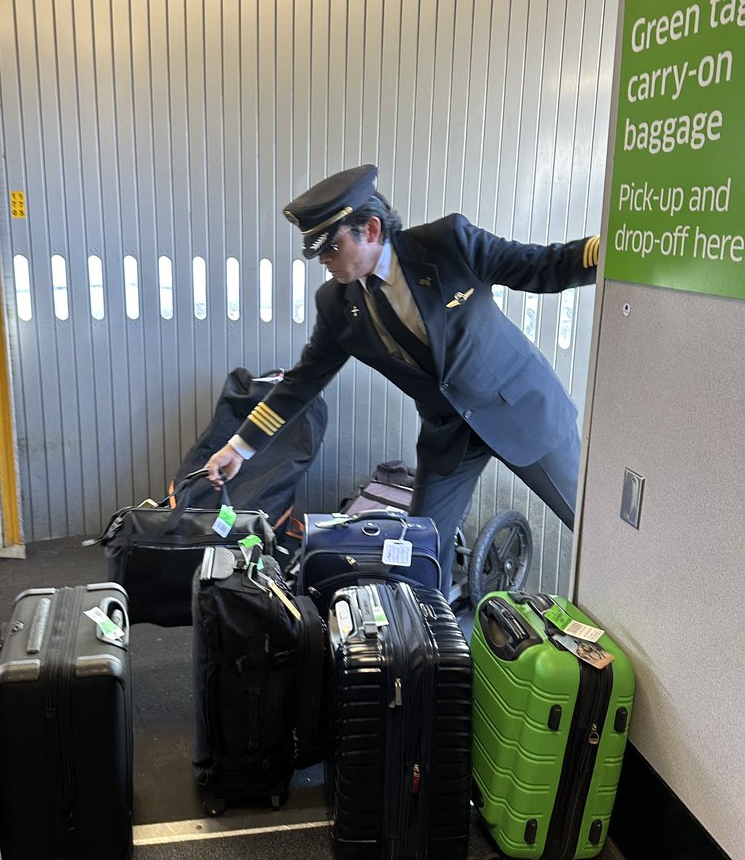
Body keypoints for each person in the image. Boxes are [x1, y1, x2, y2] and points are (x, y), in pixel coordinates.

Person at [205, 164, 599, 585]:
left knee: (595, 531)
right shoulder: (336, 305)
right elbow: (300, 384)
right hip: (450, 434)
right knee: (417, 554)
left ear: (371, 229)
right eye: (316, 250)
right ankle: (434, 644)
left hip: (521, 409)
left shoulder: (448, 244)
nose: (323, 259)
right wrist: (239, 447)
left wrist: (605, 250)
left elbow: (539, 266)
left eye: (331, 247)